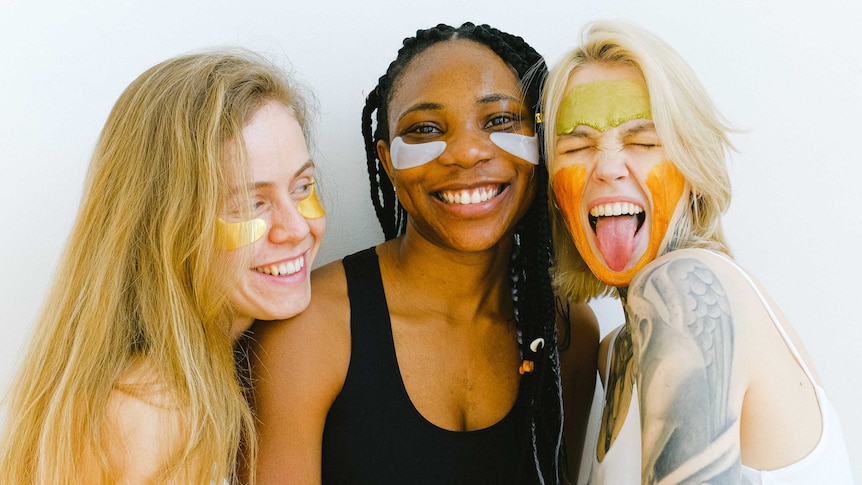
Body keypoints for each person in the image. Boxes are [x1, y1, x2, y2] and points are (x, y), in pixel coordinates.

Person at [249, 22, 598, 484]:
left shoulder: (566, 330)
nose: (468, 152)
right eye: (425, 128)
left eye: (498, 120)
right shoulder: (309, 330)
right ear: (388, 162)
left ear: (541, 143)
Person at [542, 20, 854, 484]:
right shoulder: (611, 355)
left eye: (644, 141)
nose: (606, 168)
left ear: (694, 168)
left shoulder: (687, 288)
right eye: (577, 145)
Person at [0, 49, 326, 484]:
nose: (296, 227)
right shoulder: (149, 410)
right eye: (251, 204)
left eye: (302, 186)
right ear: (163, 226)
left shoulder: (202, 375)